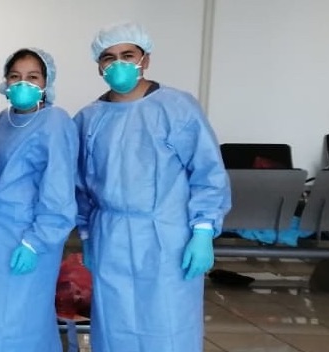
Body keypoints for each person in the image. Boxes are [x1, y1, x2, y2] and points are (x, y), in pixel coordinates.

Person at [75, 21, 231, 352]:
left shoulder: (176, 107)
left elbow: (207, 172)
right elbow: (81, 186)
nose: (118, 64)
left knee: (167, 324)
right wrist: (87, 235)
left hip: (166, 236)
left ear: (145, 59)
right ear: (99, 65)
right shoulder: (89, 118)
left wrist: (203, 231)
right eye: (108, 57)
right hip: (110, 237)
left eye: (127, 55)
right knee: (115, 325)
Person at [0, 48, 78, 352]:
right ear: (5, 82)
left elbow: (59, 193)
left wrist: (35, 242)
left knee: (22, 322)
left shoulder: (55, 122)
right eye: (15, 77)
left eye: (32, 77)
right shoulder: (1, 121)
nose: (22, 83)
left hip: (28, 241)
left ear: (46, 82)